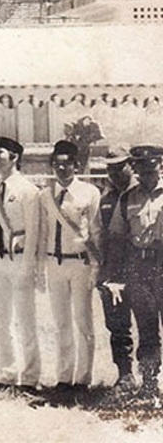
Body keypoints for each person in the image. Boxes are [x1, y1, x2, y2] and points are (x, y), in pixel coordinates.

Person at [36, 139, 102, 390]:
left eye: (67, 164)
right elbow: (43, 233)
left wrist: (96, 267)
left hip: (80, 263)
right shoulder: (46, 195)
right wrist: (41, 267)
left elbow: (96, 232)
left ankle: (83, 378)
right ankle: (64, 377)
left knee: (83, 320)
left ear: (76, 165)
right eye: (56, 164)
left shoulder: (89, 192)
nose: (61, 169)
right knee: (61, 321)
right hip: (55, 263)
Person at [0, 136, 41, 389]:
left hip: (18, 261)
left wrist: (28, 267)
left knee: (25, 321)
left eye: (0, 153)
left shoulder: (28, 190)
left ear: (14, 157)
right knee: (2, 321)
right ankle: (7, 374)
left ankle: (29, 377)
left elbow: (34, 231)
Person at [105, 144, 163, 398]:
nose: (147, 176)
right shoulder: (128, 198)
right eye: (142, 171)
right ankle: (150, 383)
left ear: (160, 167)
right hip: (139, 267)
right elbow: (117, 238)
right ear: (136, 170)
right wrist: (115, 276)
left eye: (152, 170)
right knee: (147, 327)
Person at [98, 146, 135, 390]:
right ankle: (125, 374)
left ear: (130, 165)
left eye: (120, 166)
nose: (114, 172)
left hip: (144, 268)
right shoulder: (106, 199)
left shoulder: (143, 192)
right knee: (118, 325)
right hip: (114, 271)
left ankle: (152, 377)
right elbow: (101, 236)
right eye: (110, 168)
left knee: (149, 324)